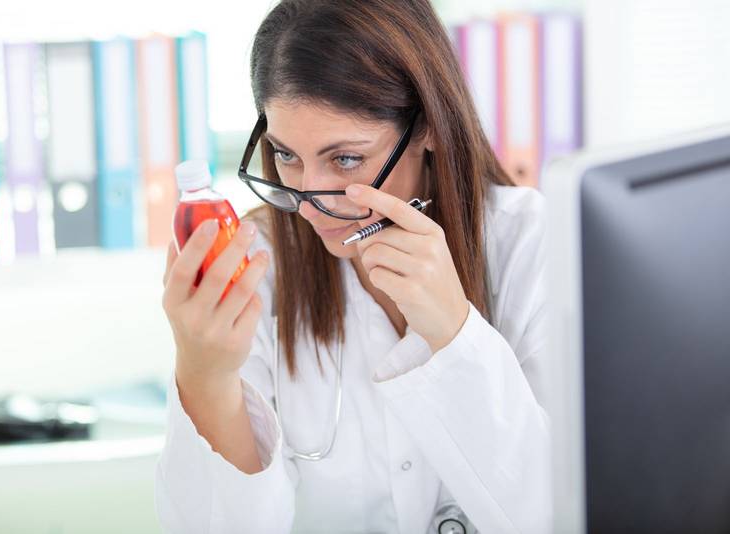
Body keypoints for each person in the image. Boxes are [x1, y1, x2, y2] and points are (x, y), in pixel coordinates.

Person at [155, 0, 551, 532]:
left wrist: (454, 335)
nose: (309, 202)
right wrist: (205, 376)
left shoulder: (533, 242)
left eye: (345, 159)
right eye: (286, 155)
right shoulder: (259, 264)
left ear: (427, 127)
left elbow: (559, 514)